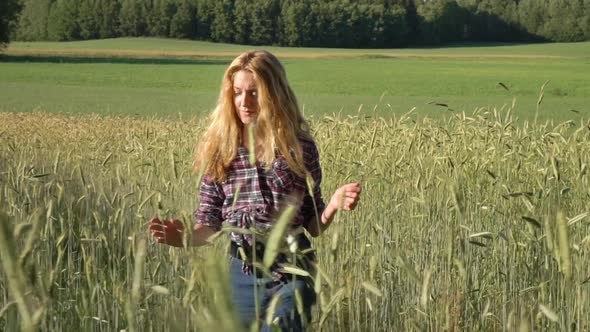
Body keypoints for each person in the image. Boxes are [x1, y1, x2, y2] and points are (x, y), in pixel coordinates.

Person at [149, 50, 361, 331]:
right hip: (241, 273)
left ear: (274, 94)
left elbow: (313, 225)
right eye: (237, 92)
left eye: (254, 93)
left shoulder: (300, 147)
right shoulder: (220, 148)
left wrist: (333, 204)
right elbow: (210, 222)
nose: (244, 102)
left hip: (293, 270)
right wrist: (186, 238)